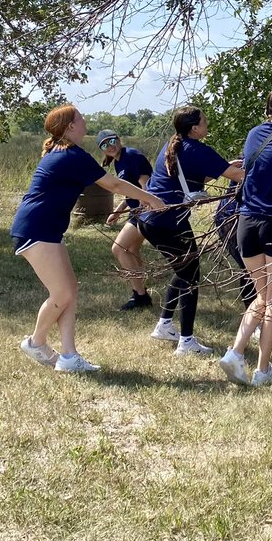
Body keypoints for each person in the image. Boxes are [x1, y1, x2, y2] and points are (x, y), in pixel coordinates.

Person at [12, 105, 165, 373]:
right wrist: (149, 197)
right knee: (62, 292)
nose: (85, 121)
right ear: (70, 126)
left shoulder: (68, 152)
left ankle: (69, 357)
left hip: (47, 229)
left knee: (69, 289)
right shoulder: (70, 155)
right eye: (81, 118)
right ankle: (36, 342)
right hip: (36, 228)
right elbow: (114, 185)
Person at [137, 106, 243, 356]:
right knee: (190, 278)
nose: (207, 125)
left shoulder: (174, 145)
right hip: (169, 221)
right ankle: (186, 341)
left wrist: (223, 166)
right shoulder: (198, 150)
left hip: (150, 219)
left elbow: (192, 177)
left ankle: (164, 325)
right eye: (204, 122)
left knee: (184, 269)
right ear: (194, 128)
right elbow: (240, 176)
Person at [219, 87, 272, 387]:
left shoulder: (254, 133)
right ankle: (262, 368)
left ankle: (235, 353)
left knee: (262, 295)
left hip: (245, 222)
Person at [214, 188, 272, 341]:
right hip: (236, 216)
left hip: (263, 214)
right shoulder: (256, 164)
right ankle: (258, 324)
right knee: (252, 273)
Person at [95, 129, 154, 311]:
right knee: (132, 249)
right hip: (136, 210)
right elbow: (129, 191)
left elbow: (145, 180)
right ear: (102, 149)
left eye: (112, 141)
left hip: (144, 210)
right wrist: (118, 211)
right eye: (104, 145)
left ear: (119, 140)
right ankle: (141, 291)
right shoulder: (118, 162)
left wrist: (147, 200)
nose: (110, 146)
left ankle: (140, 296)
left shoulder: (132, 155)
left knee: (119, 249)